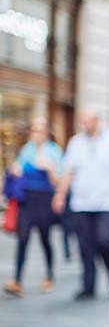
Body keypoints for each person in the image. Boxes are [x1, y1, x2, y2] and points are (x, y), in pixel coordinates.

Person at [52, 109, 109, 300]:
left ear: (97, 120)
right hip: (81, 202)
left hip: (108, 201)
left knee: (103, 240)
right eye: (82, 122)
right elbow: (69, 172)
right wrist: (60, 195)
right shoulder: (76, 143)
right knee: (85, 245)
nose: (83, 125)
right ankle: (88, 286)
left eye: (87, 121)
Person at [3, 117, 64, 297]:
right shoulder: (27, 149)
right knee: (23, 238)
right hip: (27, 199)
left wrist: (50, 168)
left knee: (45, 239)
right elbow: (18, 169)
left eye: (40, 130)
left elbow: (58, 181)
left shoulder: (54, 151)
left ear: (46, 133)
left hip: (44, 199)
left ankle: (49, 276)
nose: (36, 134)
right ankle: (17, 280)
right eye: (34, 130)